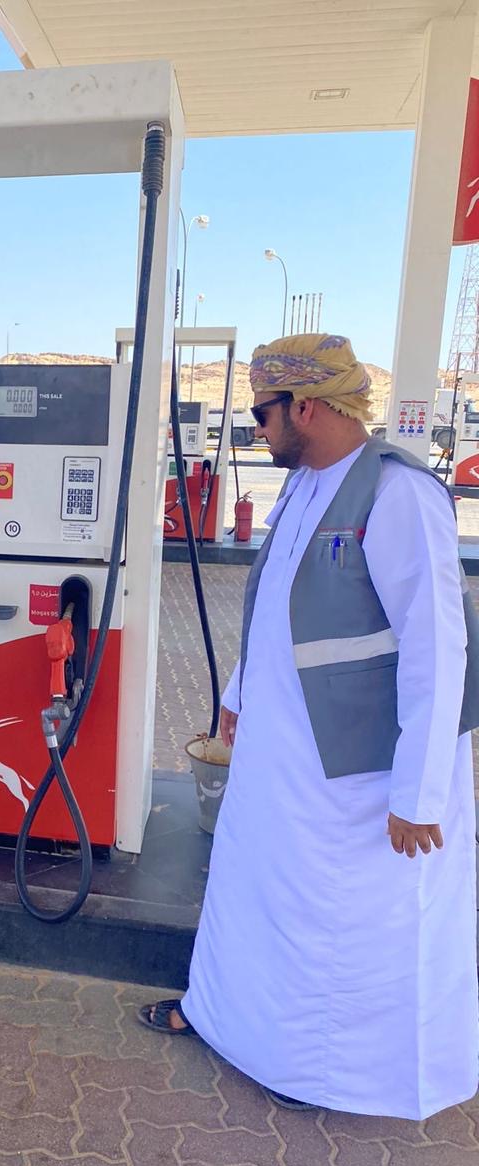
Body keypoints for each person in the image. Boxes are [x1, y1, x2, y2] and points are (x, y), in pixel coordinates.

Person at [140, 333, 479, 1119]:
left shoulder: (399, 495)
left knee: (338, 921)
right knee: (256, 893)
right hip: (280, 753)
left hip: (359, 774)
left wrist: (420, 793)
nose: (256, 427)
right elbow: (275, 605)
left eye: (262, 413)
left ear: (307, 407)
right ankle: (225, 1019)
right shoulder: (301, 486)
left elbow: (438, 650)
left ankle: (319, 1073)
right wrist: (237, 693)